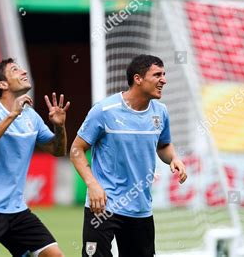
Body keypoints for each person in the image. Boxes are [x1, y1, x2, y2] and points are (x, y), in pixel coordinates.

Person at [70, 54, 188, 257]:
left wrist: (174, 158)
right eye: (157, 74)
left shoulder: (161, 112)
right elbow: (76, 149)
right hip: (103, 205)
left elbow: (164, 144)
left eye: (164, 74)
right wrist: (92, 184)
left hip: (140, 207)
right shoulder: (104, 110)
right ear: (138, 78)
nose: (164, 80)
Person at [0, 58, 70, 257]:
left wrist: (59, 126)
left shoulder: (32, 117)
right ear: (3, 84)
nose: (24, 72)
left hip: (16, 210)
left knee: (54, 255)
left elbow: (58, 150)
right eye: (16, 70)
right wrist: (12, 115)